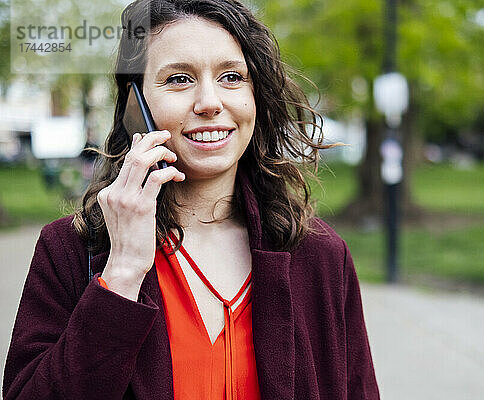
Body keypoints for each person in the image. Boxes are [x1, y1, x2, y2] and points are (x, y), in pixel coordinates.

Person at [2, 0, 380, 399]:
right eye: (179, 79)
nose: (210, 102)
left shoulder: (321, 255)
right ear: (136, 107)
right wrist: (122, 274)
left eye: (232, 77)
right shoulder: (69, 251)